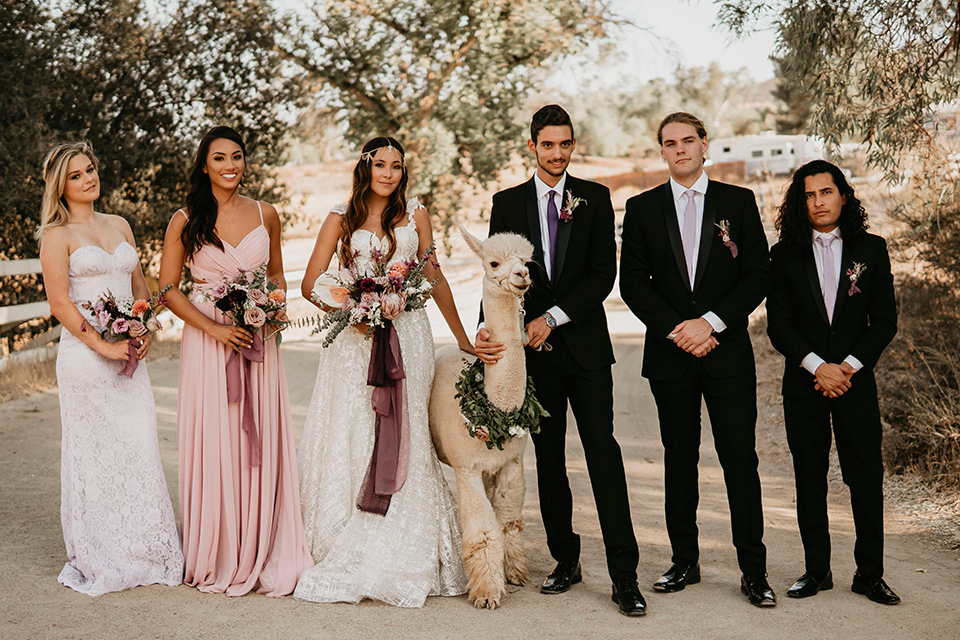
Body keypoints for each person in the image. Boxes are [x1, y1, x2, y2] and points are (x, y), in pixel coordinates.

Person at [475, 105, 645, 617]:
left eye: (565, 144)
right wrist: (485, 328)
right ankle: (565, 560)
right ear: (532, 146)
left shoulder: (594, 198)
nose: (557, 153)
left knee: (602, 454)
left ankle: (624, 575)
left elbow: (602, 275)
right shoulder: (506, 203)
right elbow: (494, 271)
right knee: (548, 462)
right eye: (547, 144)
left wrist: (552, 316)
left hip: (586, 351)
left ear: (574, 146)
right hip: (533, 359)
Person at [294, 136, 473, 607]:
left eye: (397, 165)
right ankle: (341, 536)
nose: (389, 173)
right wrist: (352, 305)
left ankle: (406, 544)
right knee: (354, 427)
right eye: (380, 165)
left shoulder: (415, 214)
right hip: (354, 343)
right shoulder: (341, 216)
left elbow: (432, 277)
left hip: (408, 337)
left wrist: (461, 337)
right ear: (365, 168)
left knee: (405, 428)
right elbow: (311, 283)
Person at [619, 112, 775, 606]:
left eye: (689, 140)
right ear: (661, 151)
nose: (680, 148)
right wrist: (679, 330)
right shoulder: (642, 208)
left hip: (726, 353)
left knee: (739, 461)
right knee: (679, 461)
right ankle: (684, 562)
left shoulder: (739, 201)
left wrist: (711, 323)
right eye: (670, 143)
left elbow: (757, 275)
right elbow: (633, 283)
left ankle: (754, 570)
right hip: (671, 356)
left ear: (705, 145)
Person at [158, 126, 312, 596]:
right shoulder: (185, 219)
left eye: (238, 156)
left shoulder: (268, 213)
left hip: (257, 339)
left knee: (259, 436)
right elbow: (167, 289)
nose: (230, 165)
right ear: (204, 166)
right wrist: (216, 329)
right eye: (219, 158)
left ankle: (262, 541)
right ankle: (219, 549)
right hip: (209, 344)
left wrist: (276, 307)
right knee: (217, 438)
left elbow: (279, 273)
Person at [37, 141, 183, 595]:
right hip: (85, 356)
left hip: (128, 352)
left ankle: (147, 548)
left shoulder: (119, 223)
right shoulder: (56, 236)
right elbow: (60, 302)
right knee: (96, 454)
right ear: (61, 187)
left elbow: (139, 285)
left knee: (138, 444)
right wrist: (102, 344)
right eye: (77, 174)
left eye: (91, 169)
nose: (88, 178)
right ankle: (103, 553)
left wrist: (143, 327)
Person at [767, 160, 899, 605]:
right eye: (808, 195)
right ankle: (816, 571)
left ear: (843, 195)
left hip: (855, 383)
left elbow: (884, 322)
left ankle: (869, 574)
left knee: (865, 477)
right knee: (810, 477)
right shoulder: (782, 255)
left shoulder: (872, 249)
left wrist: (847, 367)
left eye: (826, 192)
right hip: (804, 383)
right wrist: (816, 366)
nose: (818, 202)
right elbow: (779, 325)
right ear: (799, 202)